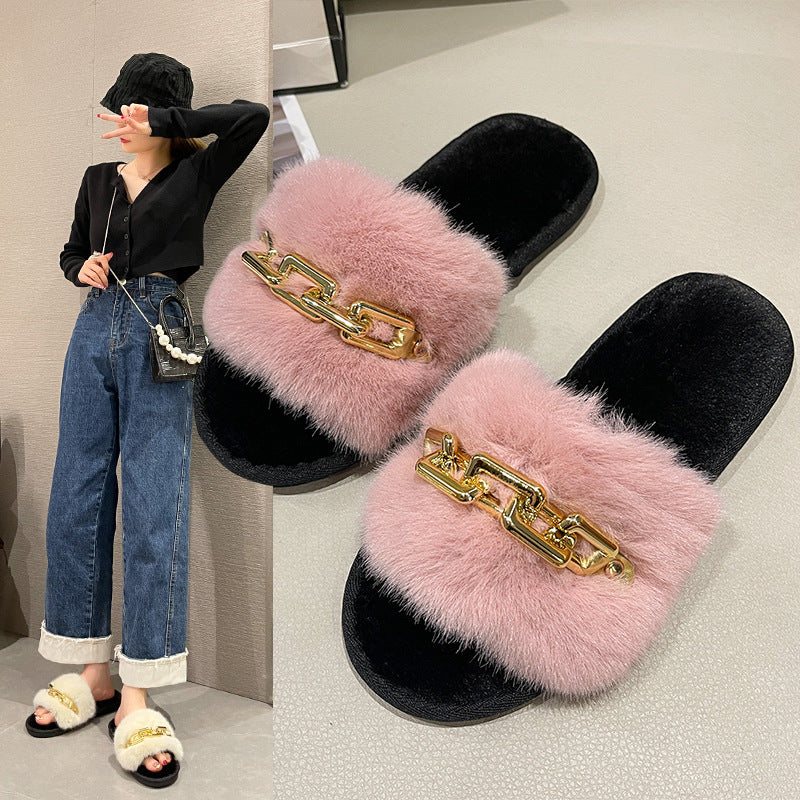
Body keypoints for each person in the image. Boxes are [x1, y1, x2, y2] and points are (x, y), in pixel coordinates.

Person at [25, 53, 269, 788]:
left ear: (160, 116)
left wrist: (168, 118)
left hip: (160, 326)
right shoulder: (96, 181)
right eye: (117, 111)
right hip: (93, 327)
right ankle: (90, 670)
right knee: (77, 495)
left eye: (132, 113)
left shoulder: (196, 173)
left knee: (155, 500)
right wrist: (80, 268)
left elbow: (251, 118)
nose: (119, 124)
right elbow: (71, 250)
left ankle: (139, 690)